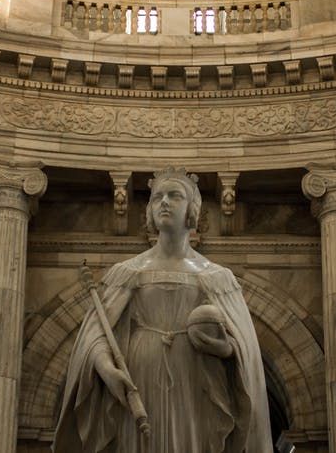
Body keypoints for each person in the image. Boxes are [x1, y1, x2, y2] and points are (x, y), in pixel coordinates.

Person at [54, 168, 272, 452]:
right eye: (157, 197)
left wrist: (225, 349)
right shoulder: (126, 272)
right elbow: (96, 337)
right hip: (138, 373)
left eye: (174, 196)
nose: (164, 202)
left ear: (192, 210)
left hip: (194, 379)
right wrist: (108, 369)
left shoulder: (218, 277)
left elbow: (245, 349)